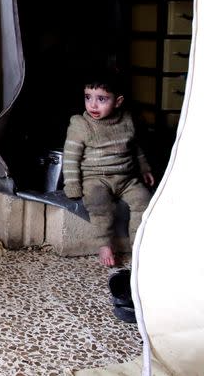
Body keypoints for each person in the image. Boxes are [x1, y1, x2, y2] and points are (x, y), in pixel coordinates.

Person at [62, 72, 156, 267]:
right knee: (99, 204)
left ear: (118, 101)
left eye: (102, 99)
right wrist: (72, 185)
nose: (93, 105)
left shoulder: (127, 120)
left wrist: (145, 168)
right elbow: (71, 158)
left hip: (127, 179)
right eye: (88, 97)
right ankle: (104, 244)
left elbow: (135, 148)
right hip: (96, 178)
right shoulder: (81, 125)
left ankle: (138, 244)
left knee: (144, 202)